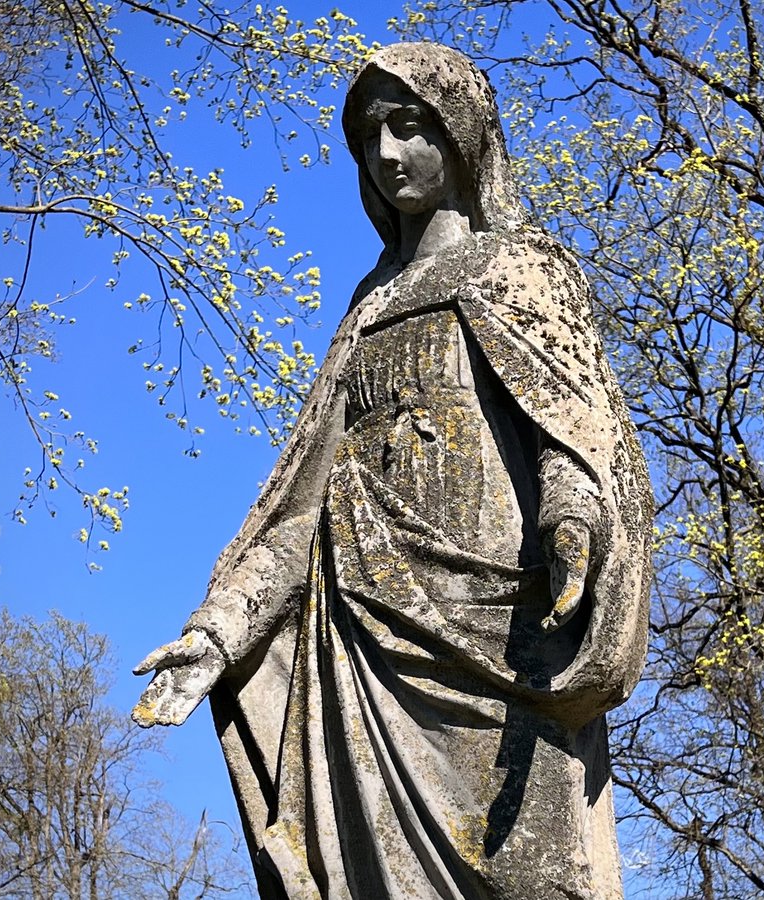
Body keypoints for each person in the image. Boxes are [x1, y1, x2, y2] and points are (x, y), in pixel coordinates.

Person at [133, 42, 652, 900]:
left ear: (464, 138)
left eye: (409, 127)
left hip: (504, 638)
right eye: (371, 134)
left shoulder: (523, 269)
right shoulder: (367, 309)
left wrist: (573, 517)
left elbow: (579, 431)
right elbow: (300, 506)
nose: (386, 154)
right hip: (367, 640)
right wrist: (219, 631)